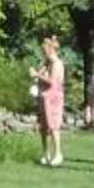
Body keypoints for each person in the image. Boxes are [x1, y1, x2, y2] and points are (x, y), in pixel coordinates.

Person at [32, 35, 67, 166]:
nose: (43, 52)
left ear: (51, 49)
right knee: (44, 126)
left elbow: (53, 82)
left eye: (45, 49)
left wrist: (37, 75)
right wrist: (38, 73)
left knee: (54, 126)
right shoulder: (47, 63)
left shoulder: (57, 64)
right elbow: (39, 74)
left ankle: (58, 153)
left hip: (54, 98)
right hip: (44, 97)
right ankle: (46, 153)